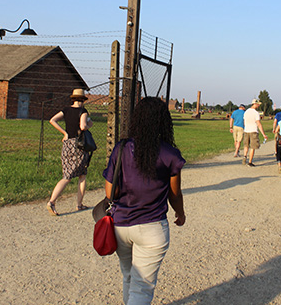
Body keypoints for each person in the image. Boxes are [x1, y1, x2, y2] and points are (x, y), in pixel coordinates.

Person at [103, 97, 186, 305]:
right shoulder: (170, 154)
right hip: (152, 228)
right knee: (141, 289)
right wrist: (180, 213)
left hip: (121, 225)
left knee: (129, 277)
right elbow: (174, 194)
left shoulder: (121, 149)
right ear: (163, 122)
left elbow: (110, 191)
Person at [46, 88, 93, 216]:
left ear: (73, 98)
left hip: (67, 144)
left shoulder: (66, 110)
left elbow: (52, 120)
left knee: (67, 174)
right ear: (83, 99)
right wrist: (88, 125)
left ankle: (56, 202)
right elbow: (83, 126)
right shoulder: (83, 111)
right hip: (79, 145)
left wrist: (65, 132)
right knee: (80, 176)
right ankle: (74, 204)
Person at [242, 98, 268, 167]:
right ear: (255, 104)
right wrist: (263, 134)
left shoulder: (246, 112)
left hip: (246, 130)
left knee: (246, 145)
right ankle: (250, 162)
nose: (258, 106)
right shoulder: (256, 113)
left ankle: (245, 156)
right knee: (253, 147)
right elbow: (258, 124)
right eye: (258, 104)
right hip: (253, 131)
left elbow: (244, 122)